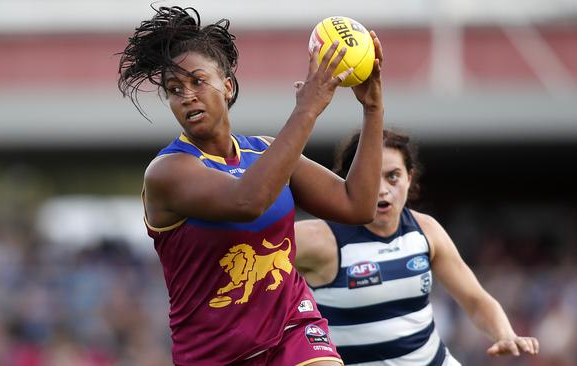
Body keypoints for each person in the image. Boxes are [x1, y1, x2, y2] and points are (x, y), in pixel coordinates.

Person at [117, 6, 385, 366]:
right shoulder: (168, 172)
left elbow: (358, 205)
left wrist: (372, 109)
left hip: (293, 330)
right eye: (174, 89)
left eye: (198, 81)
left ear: (227, 86)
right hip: (215, 355)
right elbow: (249, 201)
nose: (187, 96)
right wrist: (307, 110)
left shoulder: (266, 150)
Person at [295, 130, 540, 365]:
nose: (382, 189)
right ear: (350, 180)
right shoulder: (319, 238)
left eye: (392, 176)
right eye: (370, 176)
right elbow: (258, 249)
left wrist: (505, 334)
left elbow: (475, 300)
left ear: (409, 177)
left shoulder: (426, 230)